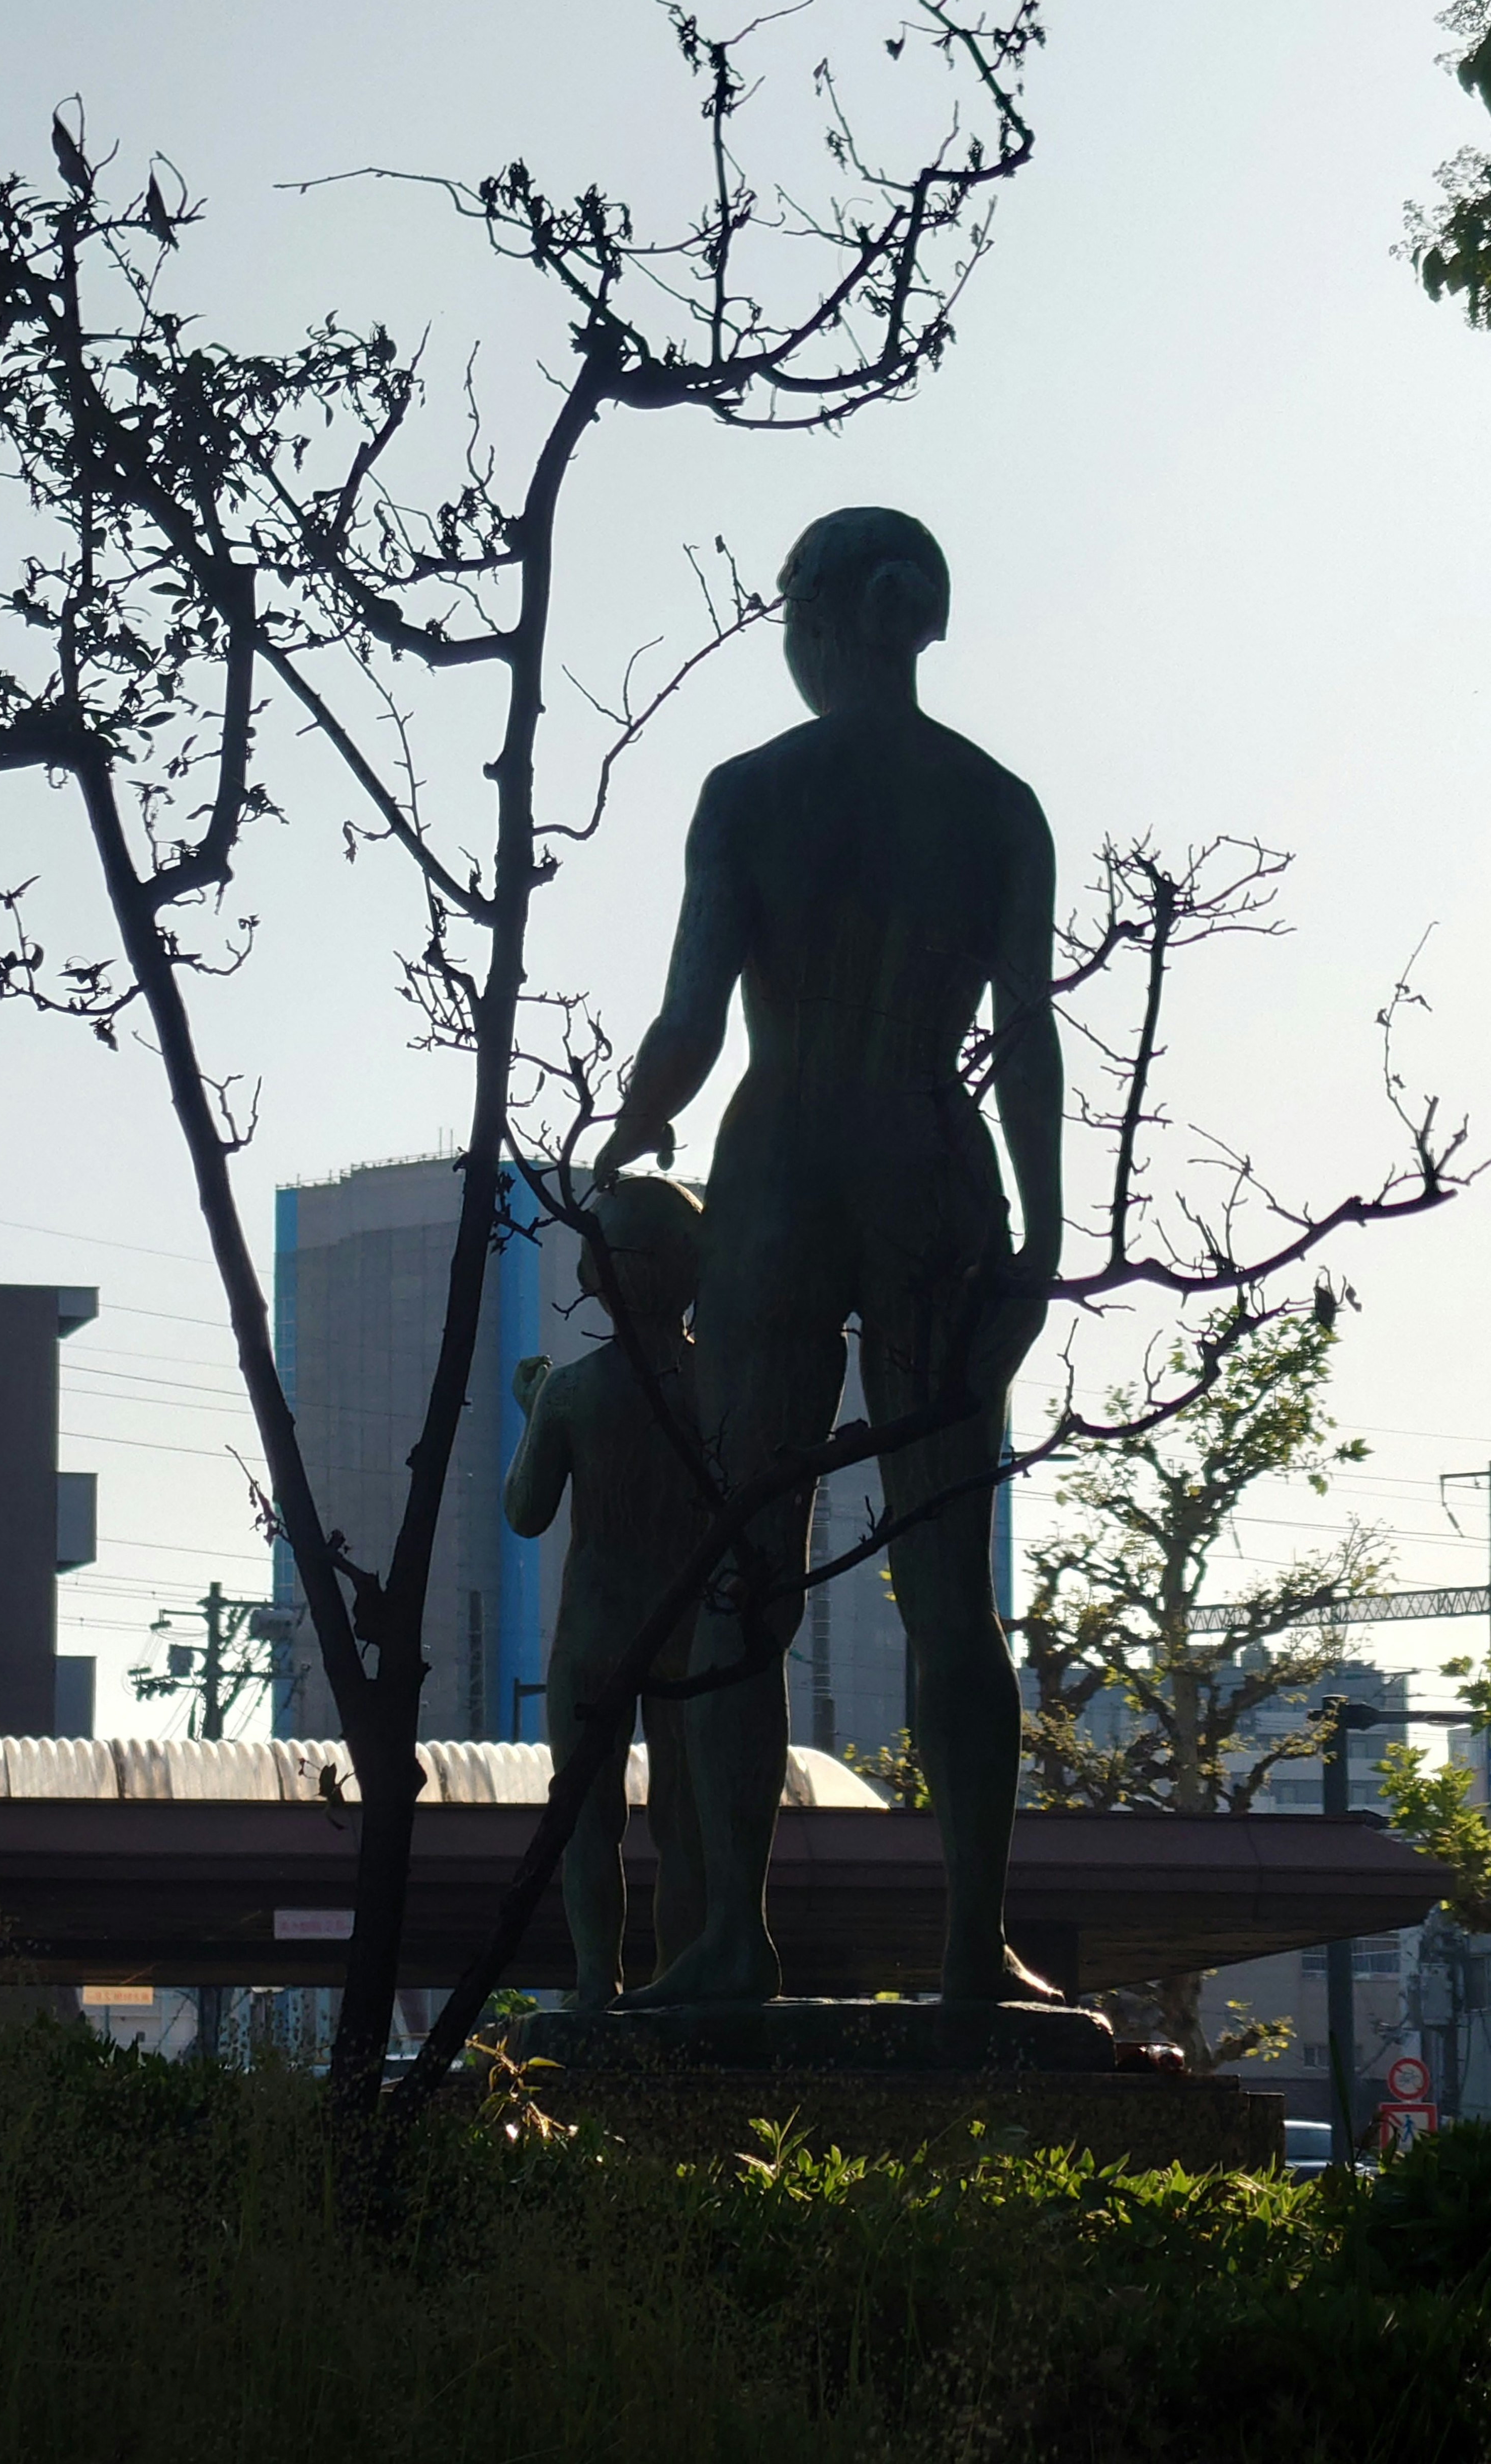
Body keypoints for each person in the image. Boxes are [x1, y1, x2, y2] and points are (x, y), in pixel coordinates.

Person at [593, 507, 1062, 2008]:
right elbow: (1033, 1044)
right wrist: (1046, 1240)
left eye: (788, 612)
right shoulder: (998, 805)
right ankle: (971, 1949)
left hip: (782, 1166)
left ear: (836, 617)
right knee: (946, 1583)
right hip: (933, 1161)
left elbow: (690, 1019)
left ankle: (732, 1933)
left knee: (741, 1566)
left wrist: (629, 1125)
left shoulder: (751, 794)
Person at [502, 1177, 709, 2009]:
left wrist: (531, 1411)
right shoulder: (717, 1386)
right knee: (685, 1819)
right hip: (690, 1629)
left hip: (591, 1632)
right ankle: (685, 1979)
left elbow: (525, 1512)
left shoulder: (572, 1390)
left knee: (589, 1819)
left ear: (597, 1274)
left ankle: (597, 1983)